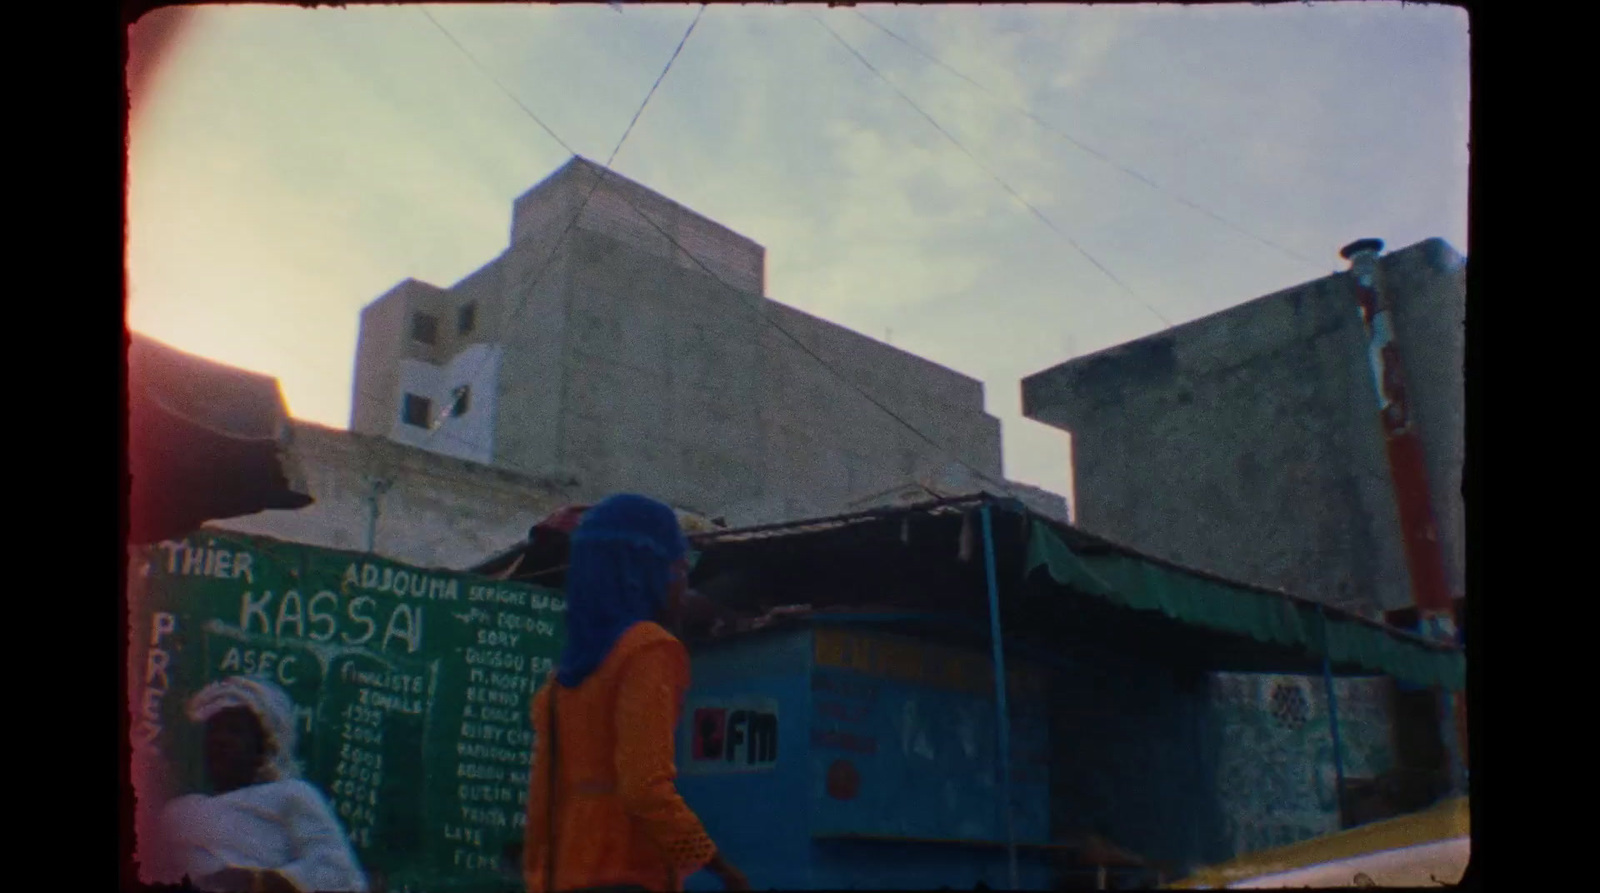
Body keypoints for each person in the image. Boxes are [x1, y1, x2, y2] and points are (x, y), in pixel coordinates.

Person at [523, 494, 749, 893]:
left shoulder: (562, 683)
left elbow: (541, 805)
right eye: (681, 567)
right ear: (647, 571)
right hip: (627, 877)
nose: (684, 583)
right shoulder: (648, 650)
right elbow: (645, 788)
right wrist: (715, 863)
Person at [158, 676, 369, 893]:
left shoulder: (292, 795)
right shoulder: (178, 813)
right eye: (214, 730)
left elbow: (340, 874)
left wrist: (254, 881)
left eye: (235, 731)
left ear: (264, 746)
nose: (220, 740)